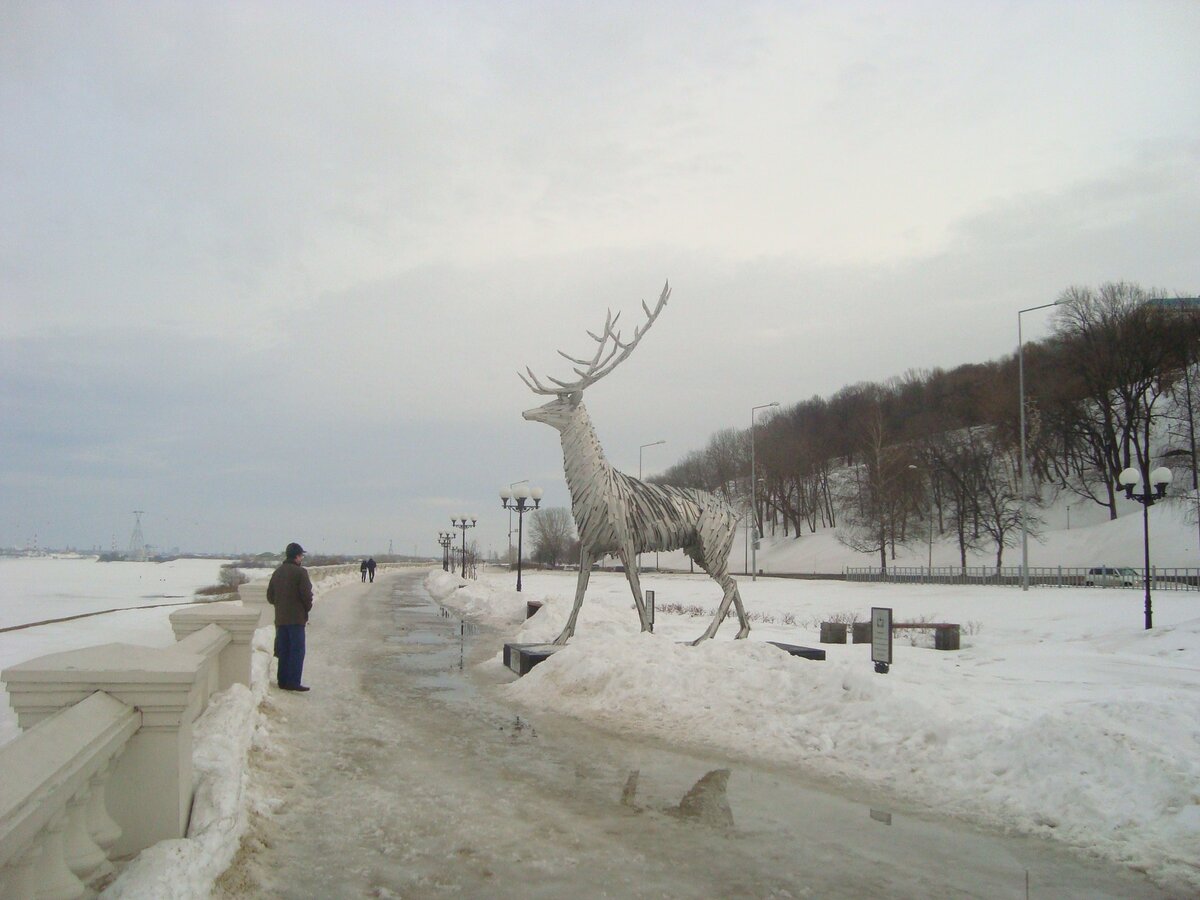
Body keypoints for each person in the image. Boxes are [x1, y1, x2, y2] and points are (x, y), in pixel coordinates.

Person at [267, 542, 313, 692]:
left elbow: (270, 596)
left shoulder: (277, 572)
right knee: (297, 651)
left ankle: (282, 680)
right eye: (301, 555)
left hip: (280, 619)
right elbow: (306, 596)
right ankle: (293, 681)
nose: (302, 558)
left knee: (283, 650)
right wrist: (306, 608)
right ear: (297, 556)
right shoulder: (301, 573)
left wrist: (280, 606)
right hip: (296, 619)